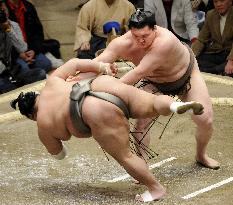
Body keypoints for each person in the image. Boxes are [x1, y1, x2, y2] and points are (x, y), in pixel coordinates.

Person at [10, 58, 204, 202]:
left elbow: (59, 153)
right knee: (152, 102)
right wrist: (101, 67)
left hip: (92, 111)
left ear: (30, 115)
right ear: (37, 94)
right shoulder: (52, 82)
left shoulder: (42, 124)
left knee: (126, 156)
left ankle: (156, 189)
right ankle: (173, 106)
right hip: (100, 84)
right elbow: (75, 63)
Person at [94, 10, 220, 169]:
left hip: (185, 75)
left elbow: (138, 73)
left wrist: (108, 89)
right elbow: (97, 62)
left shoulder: (165, 41)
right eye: (136, 36)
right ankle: (142, 165)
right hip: (154, 81)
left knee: (205, 119)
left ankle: (201, 155)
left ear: (154, 29)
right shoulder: (121, 44)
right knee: (140, 126)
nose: (140, 41)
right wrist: (75, 75)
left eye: (145, 36)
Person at [5, 0, 64, 72]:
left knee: (45, 64)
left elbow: (38, 33)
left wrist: (33, 50)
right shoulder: (3, 8)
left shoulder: (28, 6)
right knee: (24, 70)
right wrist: (19, 54)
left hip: (29, 49)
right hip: (12, 54)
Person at [0, 0, 45, 94]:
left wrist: (8, 29)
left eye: (4, 9)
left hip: (11, 70)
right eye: (1, 10)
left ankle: (15, 86)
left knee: (40, 73)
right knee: (7, 86)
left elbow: (22, 48)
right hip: (2, 71)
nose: (3, 12)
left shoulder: (13, 25)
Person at [191, 0, 233, 76]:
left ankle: (213, 70)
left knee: (229, 68)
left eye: (222, 1)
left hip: (230, 53)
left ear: (230, 1)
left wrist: (231, 61)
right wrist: (191, 56)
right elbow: (201, 39)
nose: (218, 4)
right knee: (195, 62)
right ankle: (217, 70)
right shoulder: (211, 15)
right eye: (215, 2)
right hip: (217, 52)